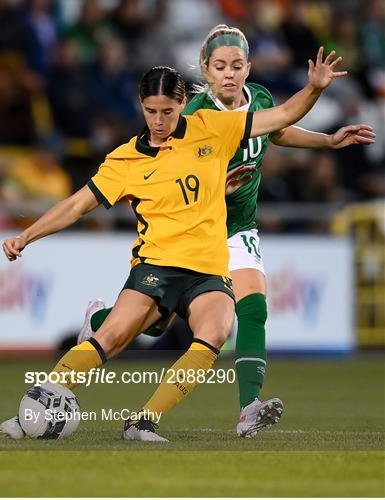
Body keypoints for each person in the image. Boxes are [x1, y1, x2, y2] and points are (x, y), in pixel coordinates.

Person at [0, 54, 351, 442]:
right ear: (141, 106)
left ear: (184, 105)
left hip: (208, 269)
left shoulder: (213, 128)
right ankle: (33, 407)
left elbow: (282, 116)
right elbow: (75, 205)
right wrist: (27, 235)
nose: (159, 121)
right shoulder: (125, 159)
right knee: (112, 338)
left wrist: (315, 88)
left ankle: (142, 422)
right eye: (151, 111)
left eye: (168, 111)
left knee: (216, 331)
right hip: (157, 267)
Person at [77, 26, 376, 439]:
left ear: (248, 68)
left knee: (252, 306)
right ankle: (100, 319)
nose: (229, 74)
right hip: (194, 227)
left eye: (237, 66)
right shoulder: (194, 114)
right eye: (220, 66)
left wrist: (326, 140)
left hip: (238, 226)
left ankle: (248, 407)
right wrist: (216, 186)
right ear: (206, 69)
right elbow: (165, 175)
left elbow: (278, 129)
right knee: (152, 323)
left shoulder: (262, 98)